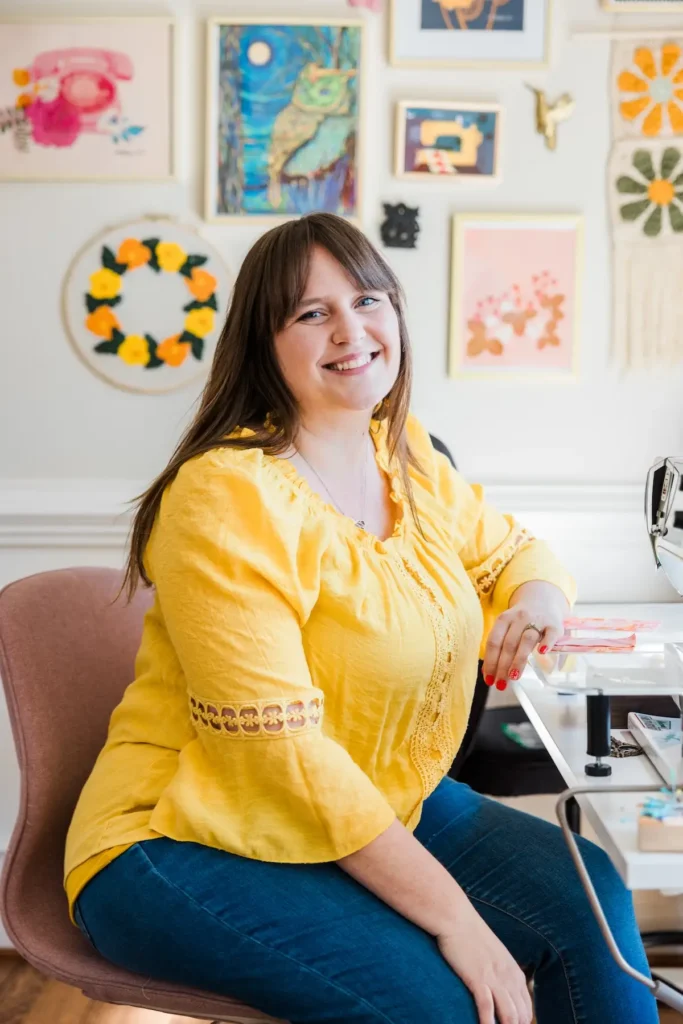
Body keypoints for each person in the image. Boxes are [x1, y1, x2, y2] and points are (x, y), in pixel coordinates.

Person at [64, 213, 657, 1024]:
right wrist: (456, 920)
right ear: (262, 343)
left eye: (368, 299)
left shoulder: (402, 451)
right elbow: (278, 758)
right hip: (180, 836)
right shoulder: (225, 495)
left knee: (590, 906)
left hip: (381, 803)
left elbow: (519, 554)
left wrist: (536, 601)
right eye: (312, 313)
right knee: (446, 1002)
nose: (352, 329)